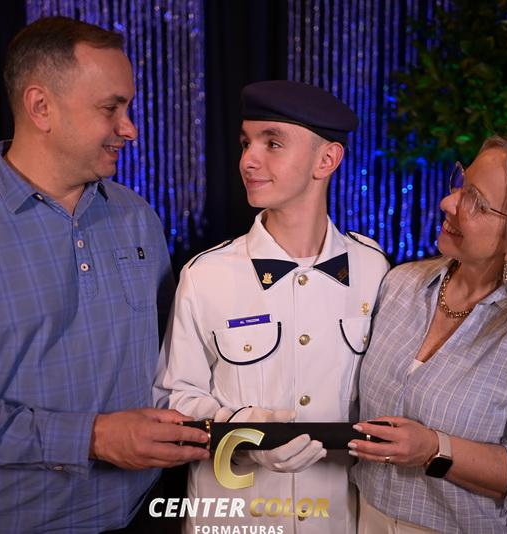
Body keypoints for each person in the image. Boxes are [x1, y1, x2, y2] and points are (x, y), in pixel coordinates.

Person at [0, 16, 209, 533]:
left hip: (144, 512)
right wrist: (94, 438)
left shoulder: (137, 216)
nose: (130, 128)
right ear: (41, 107)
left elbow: (173, 362)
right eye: (111, 108)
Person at [155, 80, 389, 533]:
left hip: (337, 521)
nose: (248, 160)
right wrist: (243, 434)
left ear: (327, 160)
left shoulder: (372, 268)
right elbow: (172, 399)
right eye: (246, 143)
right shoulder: (205, 275)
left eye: (272, 143)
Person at [349, 134, 507, 533]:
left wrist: (436, 450)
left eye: (476, 202)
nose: (448, 202)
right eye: (461, 184)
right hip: (364, 517)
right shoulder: (400, 284)